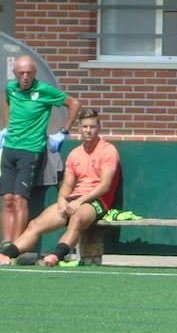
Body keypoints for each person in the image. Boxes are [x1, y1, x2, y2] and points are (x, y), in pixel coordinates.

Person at [0, 109, 119, 268]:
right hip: (74, 199)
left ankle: (56, 256)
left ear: (99, 128)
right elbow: (67, 185)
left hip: (97, 201)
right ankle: (6, 255)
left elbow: (105, 186)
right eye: (85, 127)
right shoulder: (75, 154)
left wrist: (80, 202)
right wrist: (62, 200)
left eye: (92, 127)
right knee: (35, 224)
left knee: (76, 219)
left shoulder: (108, 150)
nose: (88, 130)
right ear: (79, 128)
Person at [1, 55, 81, 246]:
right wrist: (6, 127)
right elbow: (6, 102)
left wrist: (63, 132)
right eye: (21, 73)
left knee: (20, 199)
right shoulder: (11, 88)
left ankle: (17, 248)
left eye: (29, 73)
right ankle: (5, 243)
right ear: (15, 74)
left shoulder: (43, 90)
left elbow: (74, 104)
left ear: (35, 73)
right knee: (7, 199)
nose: (25, 77)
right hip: (10, 148)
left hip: (31, 151)